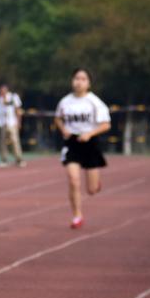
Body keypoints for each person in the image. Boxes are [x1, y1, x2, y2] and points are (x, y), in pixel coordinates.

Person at [54, 68, 110, 229]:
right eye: (76, 78)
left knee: (91, 190)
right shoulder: (65, 102)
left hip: (90, 143)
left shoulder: (94, 102)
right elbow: (57, 118)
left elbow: (106, 125)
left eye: (83, 79)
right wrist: (63, 129)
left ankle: (95, 184)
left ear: (89, 83)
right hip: (72, 143)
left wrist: (90, 133)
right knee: (73, 180)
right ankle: (77, 216)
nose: (79, 82)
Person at [0, 83, 25, 167]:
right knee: (2, 142)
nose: (2, 91)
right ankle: (4, 159)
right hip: (3, 123)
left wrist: (19, 122)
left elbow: (18, 110)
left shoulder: (13, 97)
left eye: (4, 89)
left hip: (12, 122)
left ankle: (19, 159)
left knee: (15, 141)